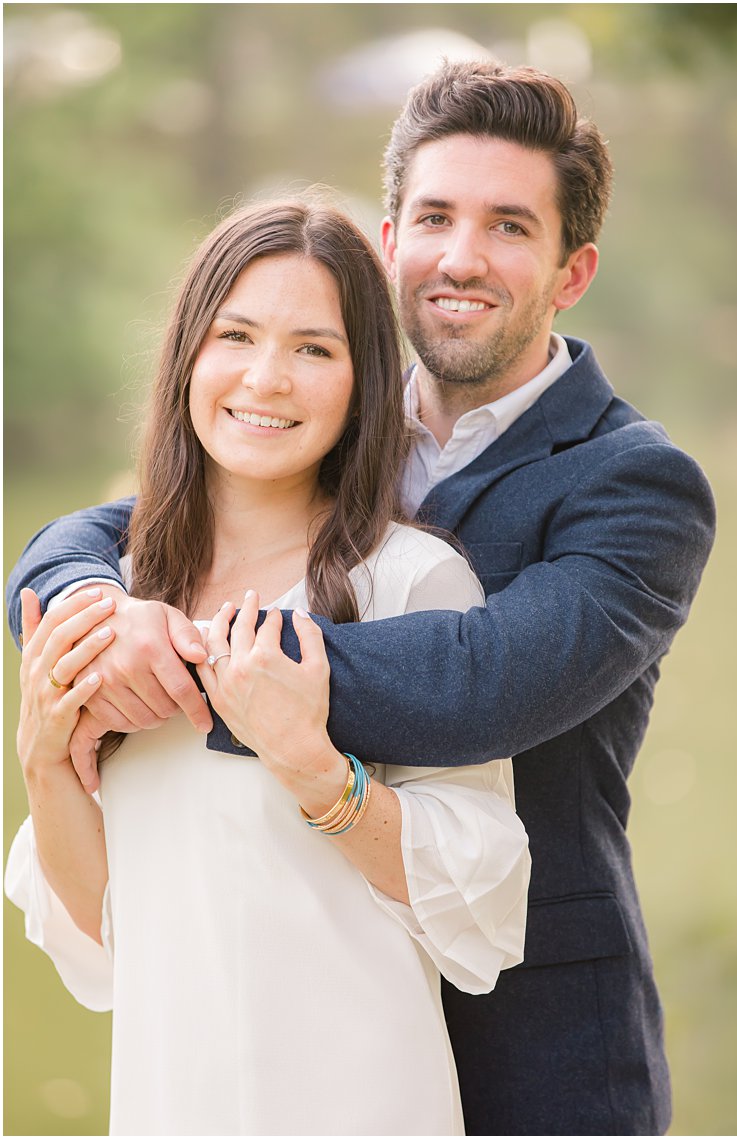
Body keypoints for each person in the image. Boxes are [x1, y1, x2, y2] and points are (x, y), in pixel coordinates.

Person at [6, 61, 715, 1135]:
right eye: (433, 215)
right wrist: (81, 604)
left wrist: (182, 660)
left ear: (573, 270)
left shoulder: (636, 484)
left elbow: (484, 677)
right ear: (390, 240)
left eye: (509, 226)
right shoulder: (309, 434)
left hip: (536, 1035)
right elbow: (113, 531)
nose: (460, 256)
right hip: (238, 1025)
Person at [5, 200, 531, 1134]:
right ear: (186, 358)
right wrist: (44, 761)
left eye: (315, 349)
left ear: (364, 381)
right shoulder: (116, 600)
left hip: (363, 1095)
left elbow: (483, 895)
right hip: (174, 1092)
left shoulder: (409, 581)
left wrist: (315, 771)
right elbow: (102, 938)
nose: (266, 378)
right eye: (235, 334)